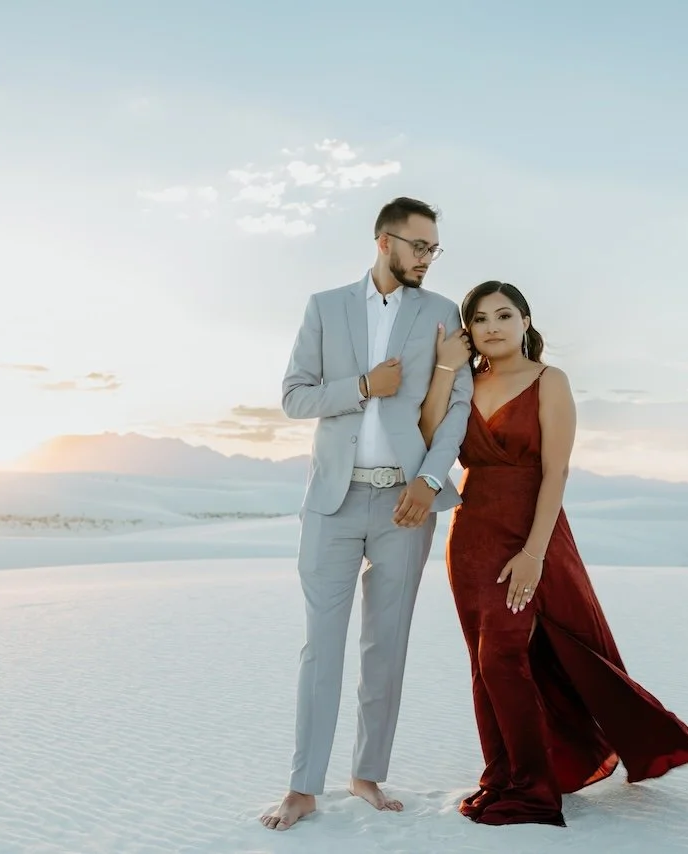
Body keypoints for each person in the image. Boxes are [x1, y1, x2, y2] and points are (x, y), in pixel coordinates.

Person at [418, 280, 688, 827]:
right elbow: (429, 432)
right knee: (483, 664)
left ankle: (535, 785)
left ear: (526, 322)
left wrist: (534, 553)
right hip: (471, 535)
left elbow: (555, 470)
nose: (492, 327)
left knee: (502, 657)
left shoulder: (549, 381)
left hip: (531, 531)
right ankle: (504, 773)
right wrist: (443, 368)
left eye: (504, 315)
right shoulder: (464, 380)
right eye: (480, 319)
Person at [260, 197, 474, 831]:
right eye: (418, 246)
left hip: (407, 504)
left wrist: (431, 480)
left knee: (387, 646)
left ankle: (366, 775)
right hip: (332, 501)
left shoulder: (442, 313)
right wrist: (360, 387)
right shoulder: (325, 307)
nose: (427, 258)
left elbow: (455, 407)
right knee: (319, 649)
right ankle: (303, 788)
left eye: (434, 248)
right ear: (384, 242)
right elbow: (295, 397)